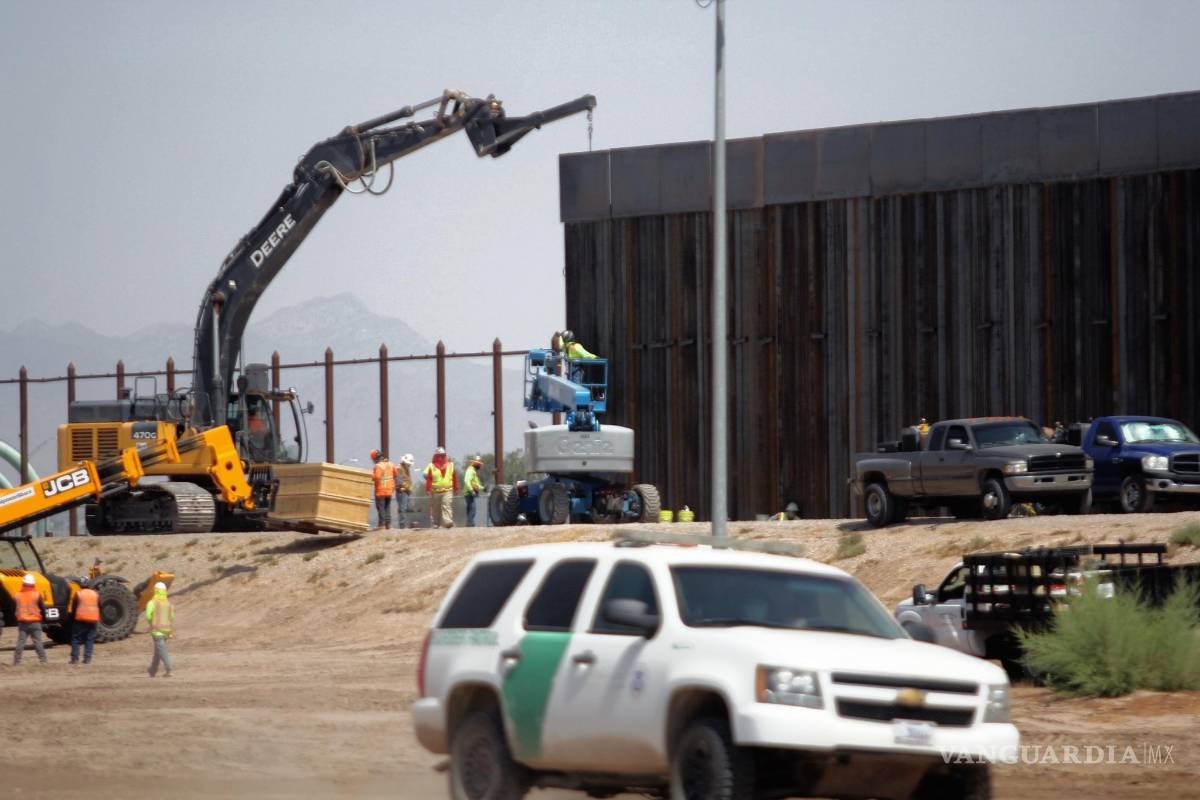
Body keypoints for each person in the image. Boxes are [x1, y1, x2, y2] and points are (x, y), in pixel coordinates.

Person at [12, 573, 47, 665]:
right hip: (35, 622)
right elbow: (43, 609)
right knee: (38, 641)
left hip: (22, 622)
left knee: (21, 642)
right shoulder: (37, 594)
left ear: (23, 583)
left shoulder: (17, 595)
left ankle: (16, 661)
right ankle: (43, 661)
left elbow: (13, 609)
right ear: (33, 584)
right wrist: (44, 620)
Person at [146, 581, 175, 678]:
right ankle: (152, 670)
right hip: (166, 632)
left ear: (155, 591)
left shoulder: (152, 603)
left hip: (157, 631)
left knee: (162, 651)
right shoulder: (169, 604)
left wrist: (152, 622)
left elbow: (148, 615)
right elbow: (172, 617)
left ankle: (169, 670)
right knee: (158, 650)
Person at [424, 447, 458, 529]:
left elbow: (454, 478)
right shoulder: (431, 466)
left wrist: (456, 488)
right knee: (436, 508)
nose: (441, 457)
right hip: (435, 491)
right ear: (435, 456)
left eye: (443, 455)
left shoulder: (450, 465)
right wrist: (428, 489)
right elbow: (429, 479)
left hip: (447, 491)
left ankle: (447, 522)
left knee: (446, 505)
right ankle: (436, 523)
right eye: (439, 455)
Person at [69, 580, 101, 665]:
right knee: (89, 639)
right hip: (93, 620)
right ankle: (87, 659)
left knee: (76, 639)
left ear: (80, 585)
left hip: (80, 619)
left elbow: (74, 608)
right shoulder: (95, 594)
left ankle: (75, 659)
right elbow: (99, 606)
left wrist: (72, 619)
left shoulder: (78, 593)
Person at [370, 448, 396, 530]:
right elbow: (395, 474)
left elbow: (377, 477)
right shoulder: (391, 464)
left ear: (375, 458)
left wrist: (371, 476)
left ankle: (382, 524)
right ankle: (388, 524)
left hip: (381, 491)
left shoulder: (378, 466)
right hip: (389, 490)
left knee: (380, 507)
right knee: (387, 507)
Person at [463, 457, 486, 527]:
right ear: (476, 464)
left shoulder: (473, 472)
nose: (480, 467)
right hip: (469, 493)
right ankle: (470, 524)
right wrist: (472, 490)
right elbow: (467, 481)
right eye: (479, 465)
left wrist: (483, 488)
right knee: (472, 509)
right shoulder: (470, 471)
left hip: (469, 492)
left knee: (470, 509)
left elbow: (475, 484)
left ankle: (469, 523)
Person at [395, 453, 414, 529]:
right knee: (402, 509)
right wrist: (408, 487)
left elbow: (408, 479)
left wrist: (409, 487)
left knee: (404, 508)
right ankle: (402, 525)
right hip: (401, 491)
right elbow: (399, 481)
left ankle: (403, 524)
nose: (409, 465)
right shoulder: (399, 468)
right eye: (408, 464)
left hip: (405, 491)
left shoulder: (406, 469)